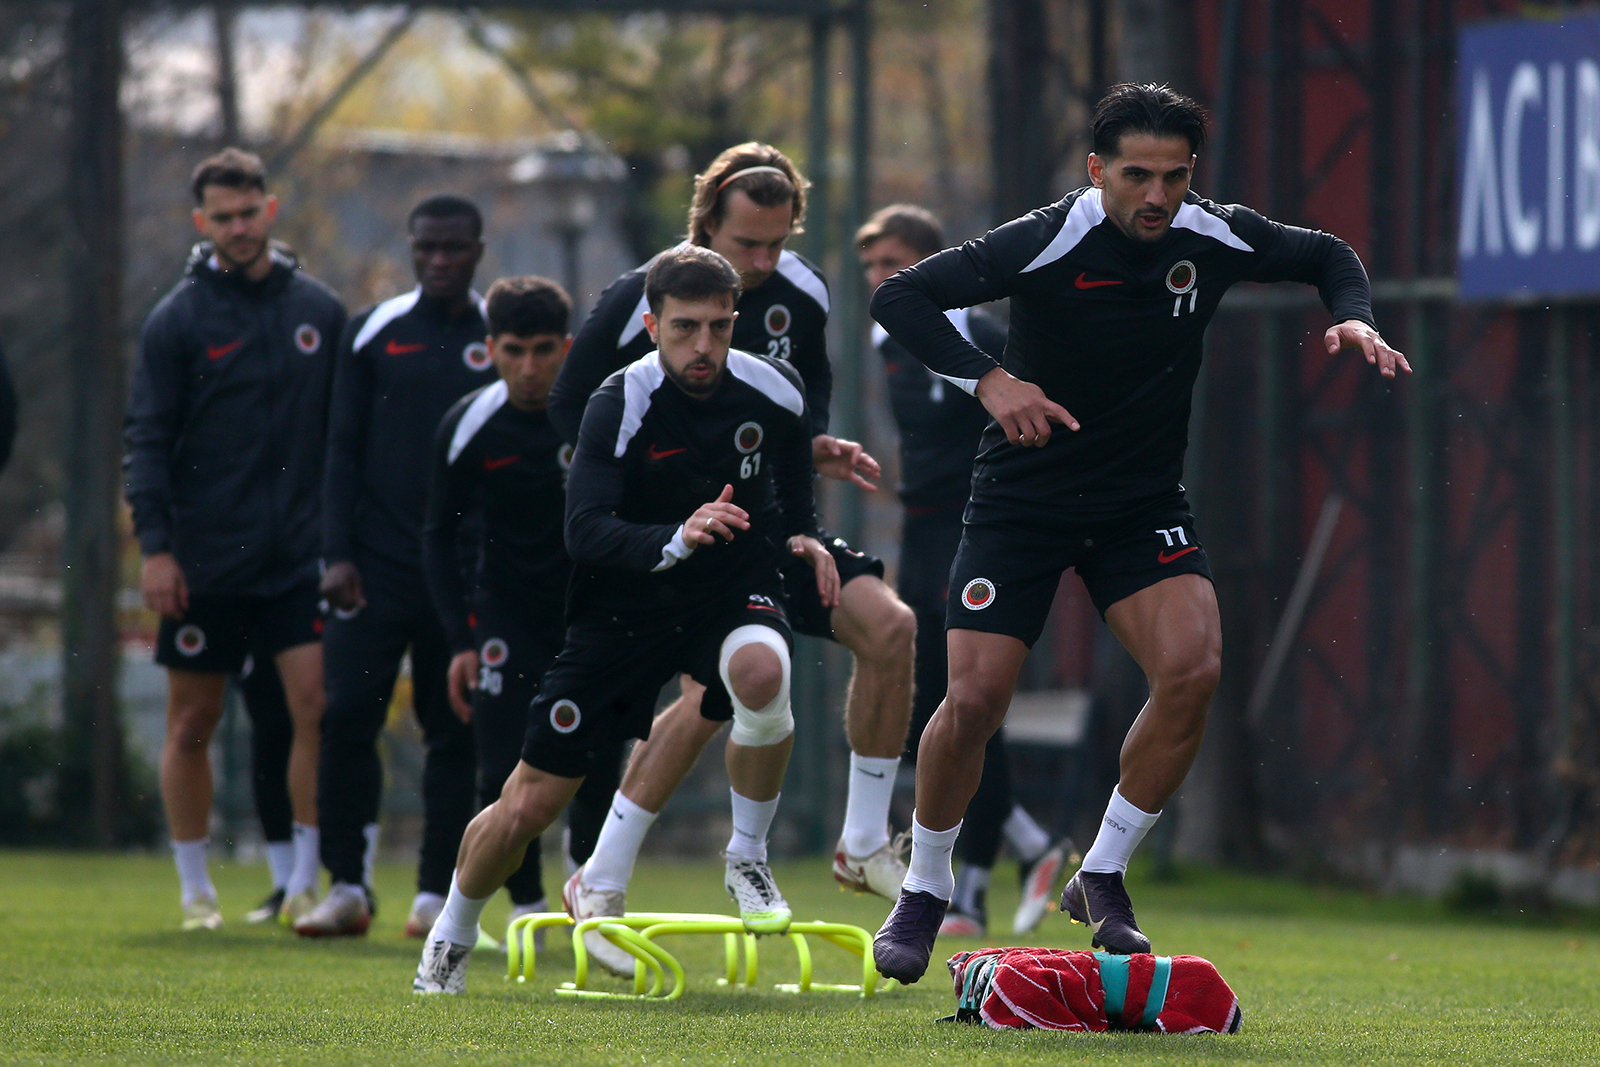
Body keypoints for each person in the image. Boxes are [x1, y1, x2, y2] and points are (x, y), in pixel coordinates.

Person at [869, 83, 1409, 982]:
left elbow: (1328, 253)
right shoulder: (1050, 235)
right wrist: (991, 383)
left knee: (1193, 671)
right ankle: (926, 889)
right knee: (972, 703)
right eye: (1135, 176)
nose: (1155, 196)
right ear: (1097, 171)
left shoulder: (1214, 232)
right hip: (1023, 502)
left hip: (1138, 503)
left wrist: (1351, 313)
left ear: (1192, 174)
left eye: (1173, 176)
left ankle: (1103, 873)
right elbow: (904, 296)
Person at [413, 245, 836, 994]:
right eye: (683, 328)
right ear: (650, 324)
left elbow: (793, 468)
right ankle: (451, 931)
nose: (702, 346)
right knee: (527, 805)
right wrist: (674, 535)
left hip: (728, 593)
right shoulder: (620, 399)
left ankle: (747, 857)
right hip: (622, 611)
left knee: (765, 673)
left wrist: (803, 532)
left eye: (718, 326)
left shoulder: (775, 388)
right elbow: (586, 530)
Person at [548, 146, 916, 948]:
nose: (760, 261)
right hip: (665, 543)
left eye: (776, 243)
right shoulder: (642, 295)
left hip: (768, 521)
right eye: (745, 243)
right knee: (723, 689)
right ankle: (599, 875)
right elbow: (570, 409)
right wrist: (645, 519)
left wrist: (809, 468)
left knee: (889, 627)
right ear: (705, 221)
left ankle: (859, 842)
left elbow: (798, 408)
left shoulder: (803, 295)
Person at [125, 148, 344, 930]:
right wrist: (157, 546)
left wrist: (340, 541)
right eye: (223, 217)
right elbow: (146, 438)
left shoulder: (320, 309)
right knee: (191, 722)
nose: (239, 228)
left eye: (249, 212)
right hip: (205, 559)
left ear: (270, 210)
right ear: (201, 224)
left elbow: (343, 437)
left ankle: (307, 882)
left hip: (297, 557)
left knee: (315, 706)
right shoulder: (176, 320)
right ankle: (195, 892)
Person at [857, 204, 1070, 938]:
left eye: (893, 263)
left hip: (965, 527)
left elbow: (1015, 410)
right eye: (871, 266)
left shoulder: (973, 337)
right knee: (934, 706)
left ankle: (968, 891)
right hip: (920, 530)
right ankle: (1030, 844)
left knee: (966, 697)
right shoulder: (884, 340)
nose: (880, 279)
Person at [296, 195, 500, 938]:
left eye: (454, 246)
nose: (440, 259)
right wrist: (337, 553)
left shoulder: (498, 337)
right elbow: (339, 449)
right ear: (412, 249)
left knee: (453, 731)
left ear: (478, 248)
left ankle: (432, 893)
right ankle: (347, 884)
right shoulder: (373, 331)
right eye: (427, 247)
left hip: (465, 576)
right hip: (373, 568)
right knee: (345, 718)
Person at [421, 275, 624, 940]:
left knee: (597, 761)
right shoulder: (469, 424)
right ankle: (525, 907)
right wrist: (459, 638)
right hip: (506, 618)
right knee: (505, 766)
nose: (530, 367)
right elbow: (437, 535)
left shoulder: (604, 411)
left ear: (567, 347)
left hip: (594, 615)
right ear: (491, 349)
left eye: (544, 350)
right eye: (514, 350)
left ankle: (586, 894)